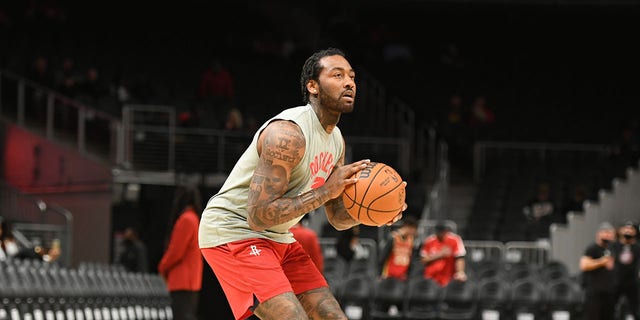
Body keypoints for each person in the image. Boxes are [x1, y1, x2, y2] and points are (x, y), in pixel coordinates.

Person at [198, 47, 406, 320]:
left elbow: (337, 218)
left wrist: (377, 214)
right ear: (313, 86)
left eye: (352, 77)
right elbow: (259, 216)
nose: (349, 83)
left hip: (278, 237)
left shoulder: (336, 140)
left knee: (333, 317)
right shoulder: (288, 133)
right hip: (234, 231)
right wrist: (324, 191)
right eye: (337, 75)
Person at [158, 185, 204, 320]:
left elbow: (175, 251)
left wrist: (162, 266)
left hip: (182, 280)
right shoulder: (194, 218)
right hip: (191, 280)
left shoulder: (186, 219)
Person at [580, 221, 616, 320]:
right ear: (598, 234)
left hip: (609, 291)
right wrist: (601, 262)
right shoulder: (592, 248)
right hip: (594, 292)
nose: (607, 235)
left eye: (609, 233)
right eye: (605, 232)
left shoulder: (613, 249)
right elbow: (584, 265)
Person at [419, 222, 467, 287]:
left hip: (448, 277)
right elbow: (423, 260)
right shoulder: (429, 240)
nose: (441, 233)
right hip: (431, 277)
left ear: (446, 231)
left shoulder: (455, 239)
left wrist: (460, 272)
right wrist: (440, 255)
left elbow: (460, 257)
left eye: (443, 231)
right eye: (439, 231)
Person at [611, 220, 640, 319]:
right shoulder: (614, 246)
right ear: (621, 231)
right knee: (611, 307)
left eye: (631, 229)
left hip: (632, 283)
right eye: (626, 229)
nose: (628, 231)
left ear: (635, 232)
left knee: (635, 309)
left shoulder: (637, 247)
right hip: (616, 282)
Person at [379, 215, 419, 281]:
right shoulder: (393, 238)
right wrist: (379, 273)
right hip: (389, 275)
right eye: (414, 229)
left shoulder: (411, 241)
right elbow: (383, 257)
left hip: (403, 277)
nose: (415, 232)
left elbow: (411, 260)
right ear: (408, 227)